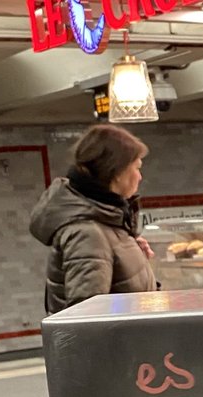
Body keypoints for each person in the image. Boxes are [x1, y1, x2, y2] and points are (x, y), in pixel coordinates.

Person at [29, 126, 156, 314]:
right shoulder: (87, 233)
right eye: (137, 168)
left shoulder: (105, 220)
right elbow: (87, 319)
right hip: (121, 343)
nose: (140, 176)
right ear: (117, 171)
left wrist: (132, 258)